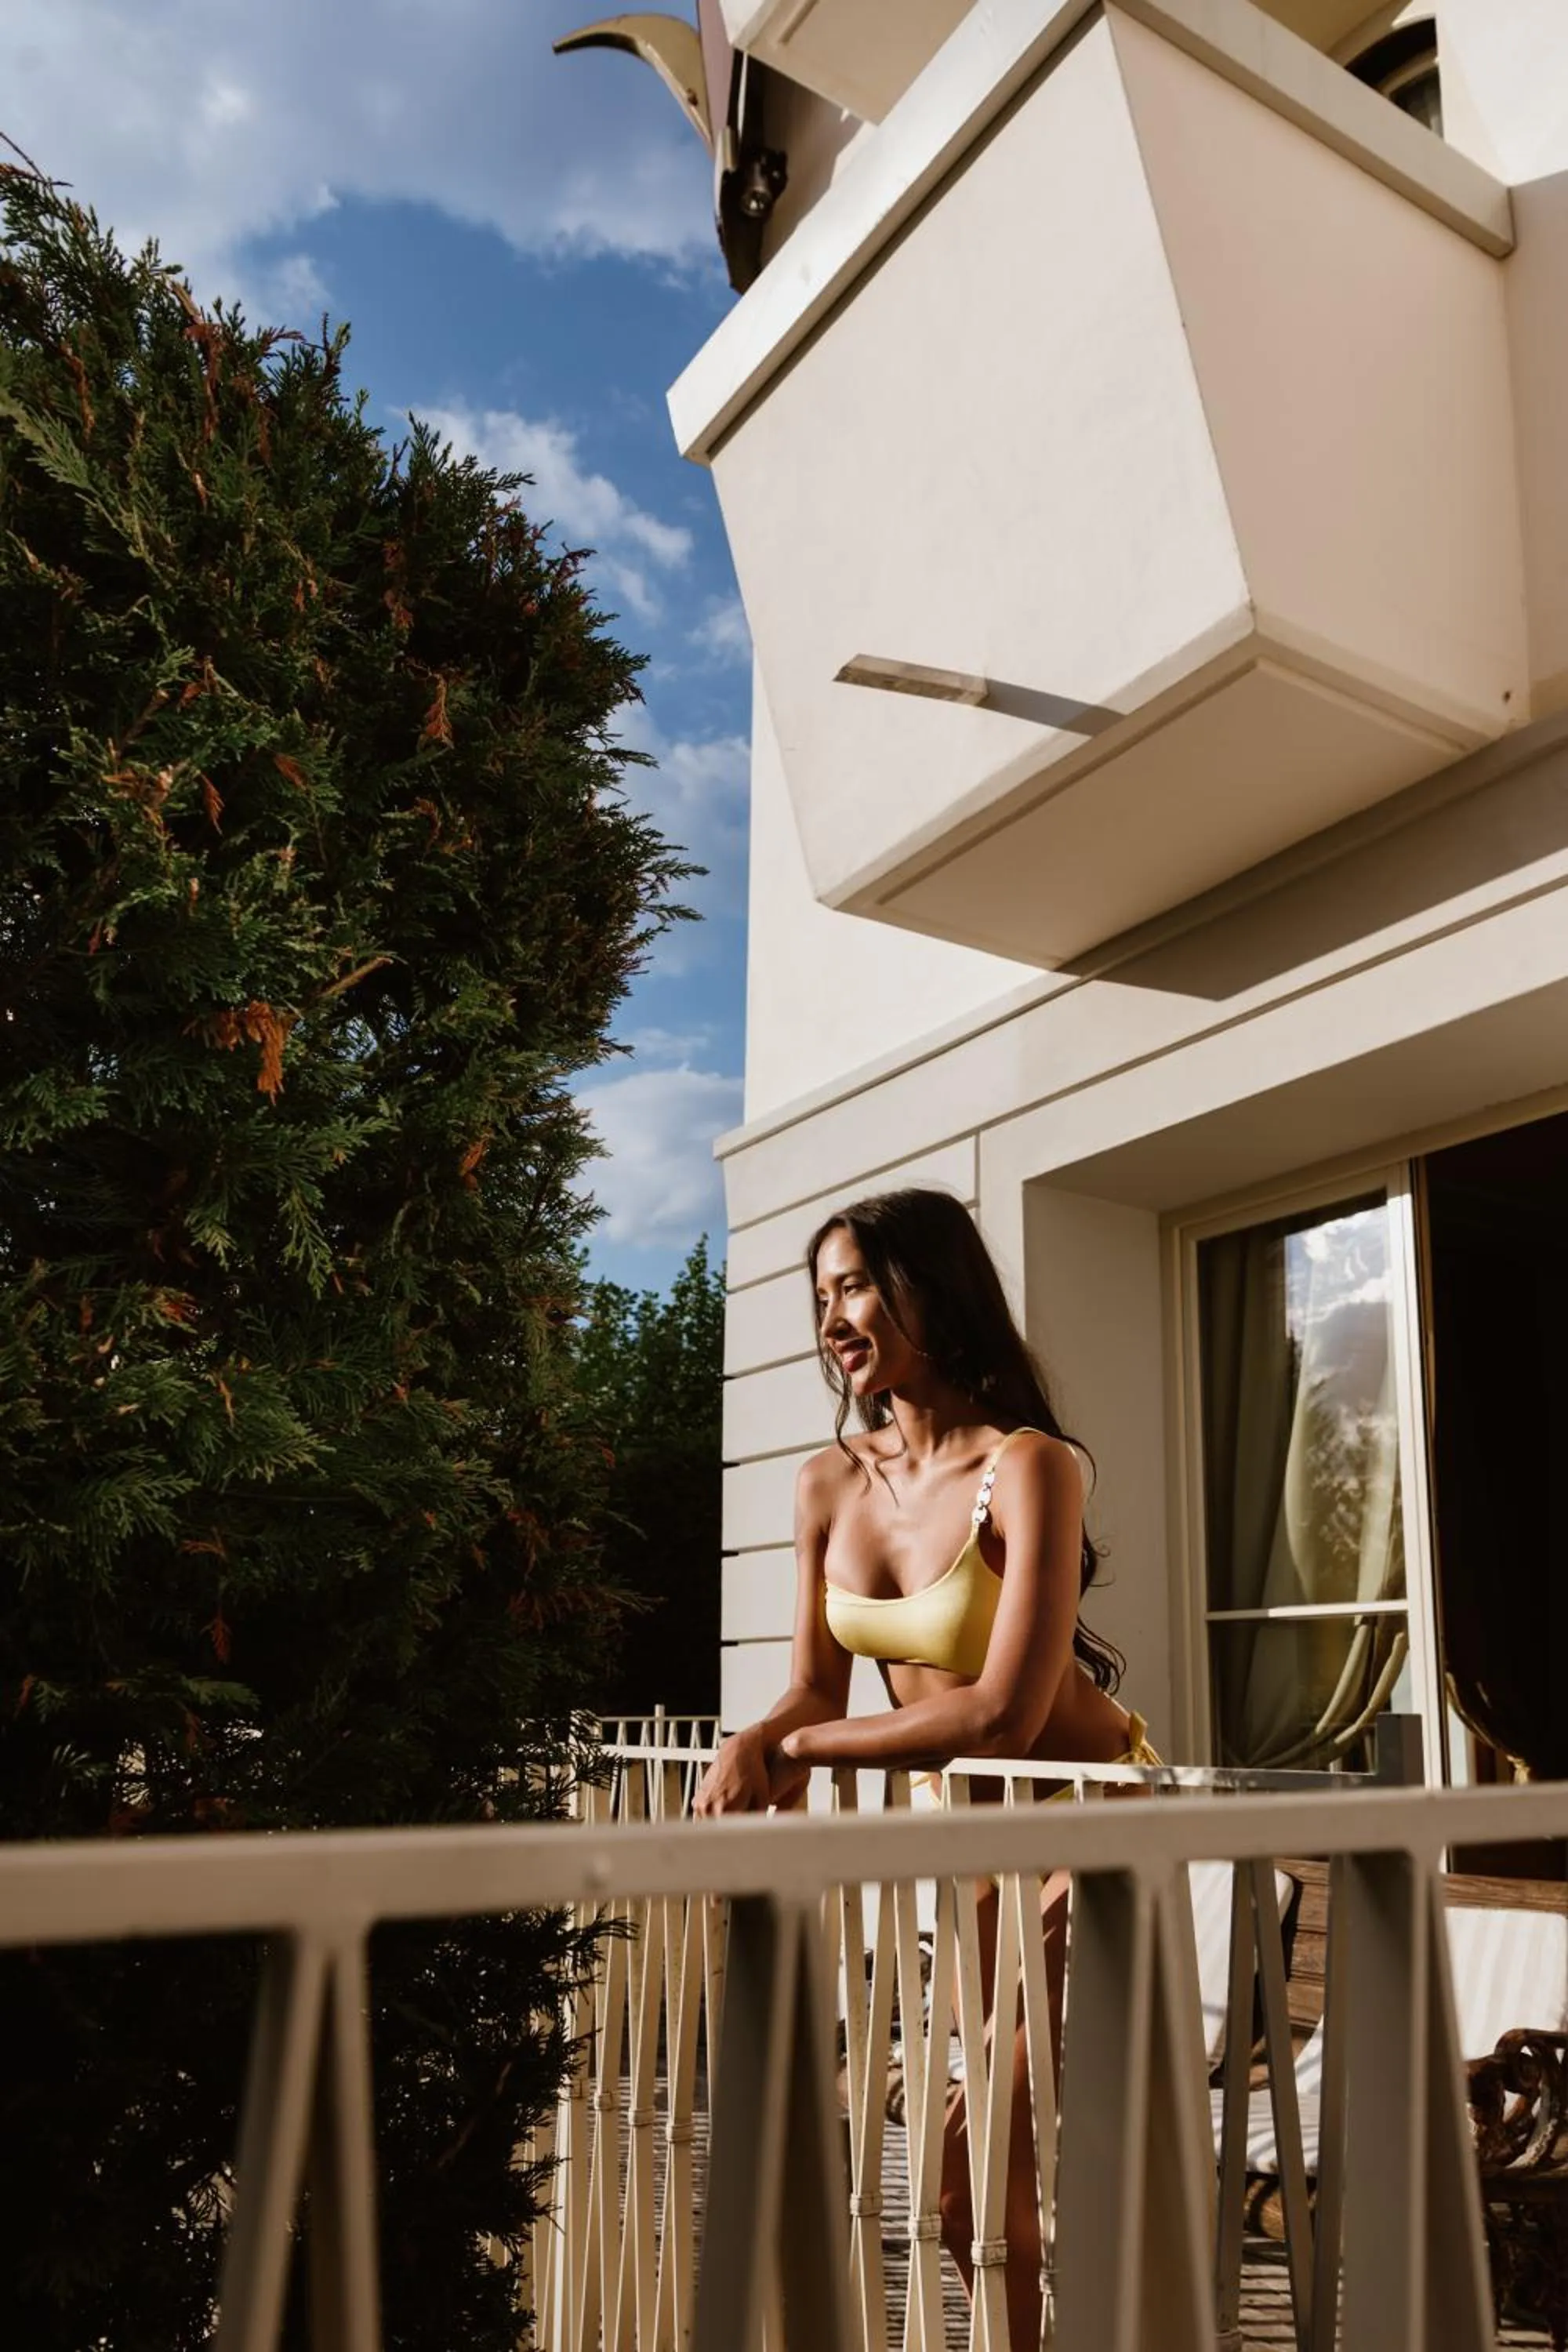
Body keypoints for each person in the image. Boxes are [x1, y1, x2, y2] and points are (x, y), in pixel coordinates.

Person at [693, 1185, 1157, 2349]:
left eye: (853, 1285)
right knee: (985, 2188)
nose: (832, 1317)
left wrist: (792, 1749)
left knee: (965, 2168)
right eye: (820, 1297)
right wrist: (759, 1736)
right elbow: (815, 1684)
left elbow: (1001, 1715)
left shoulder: (1032, 1467)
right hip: (973, 1847)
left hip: (1092, 1830)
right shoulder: (827, 1482)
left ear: (930, 1291)